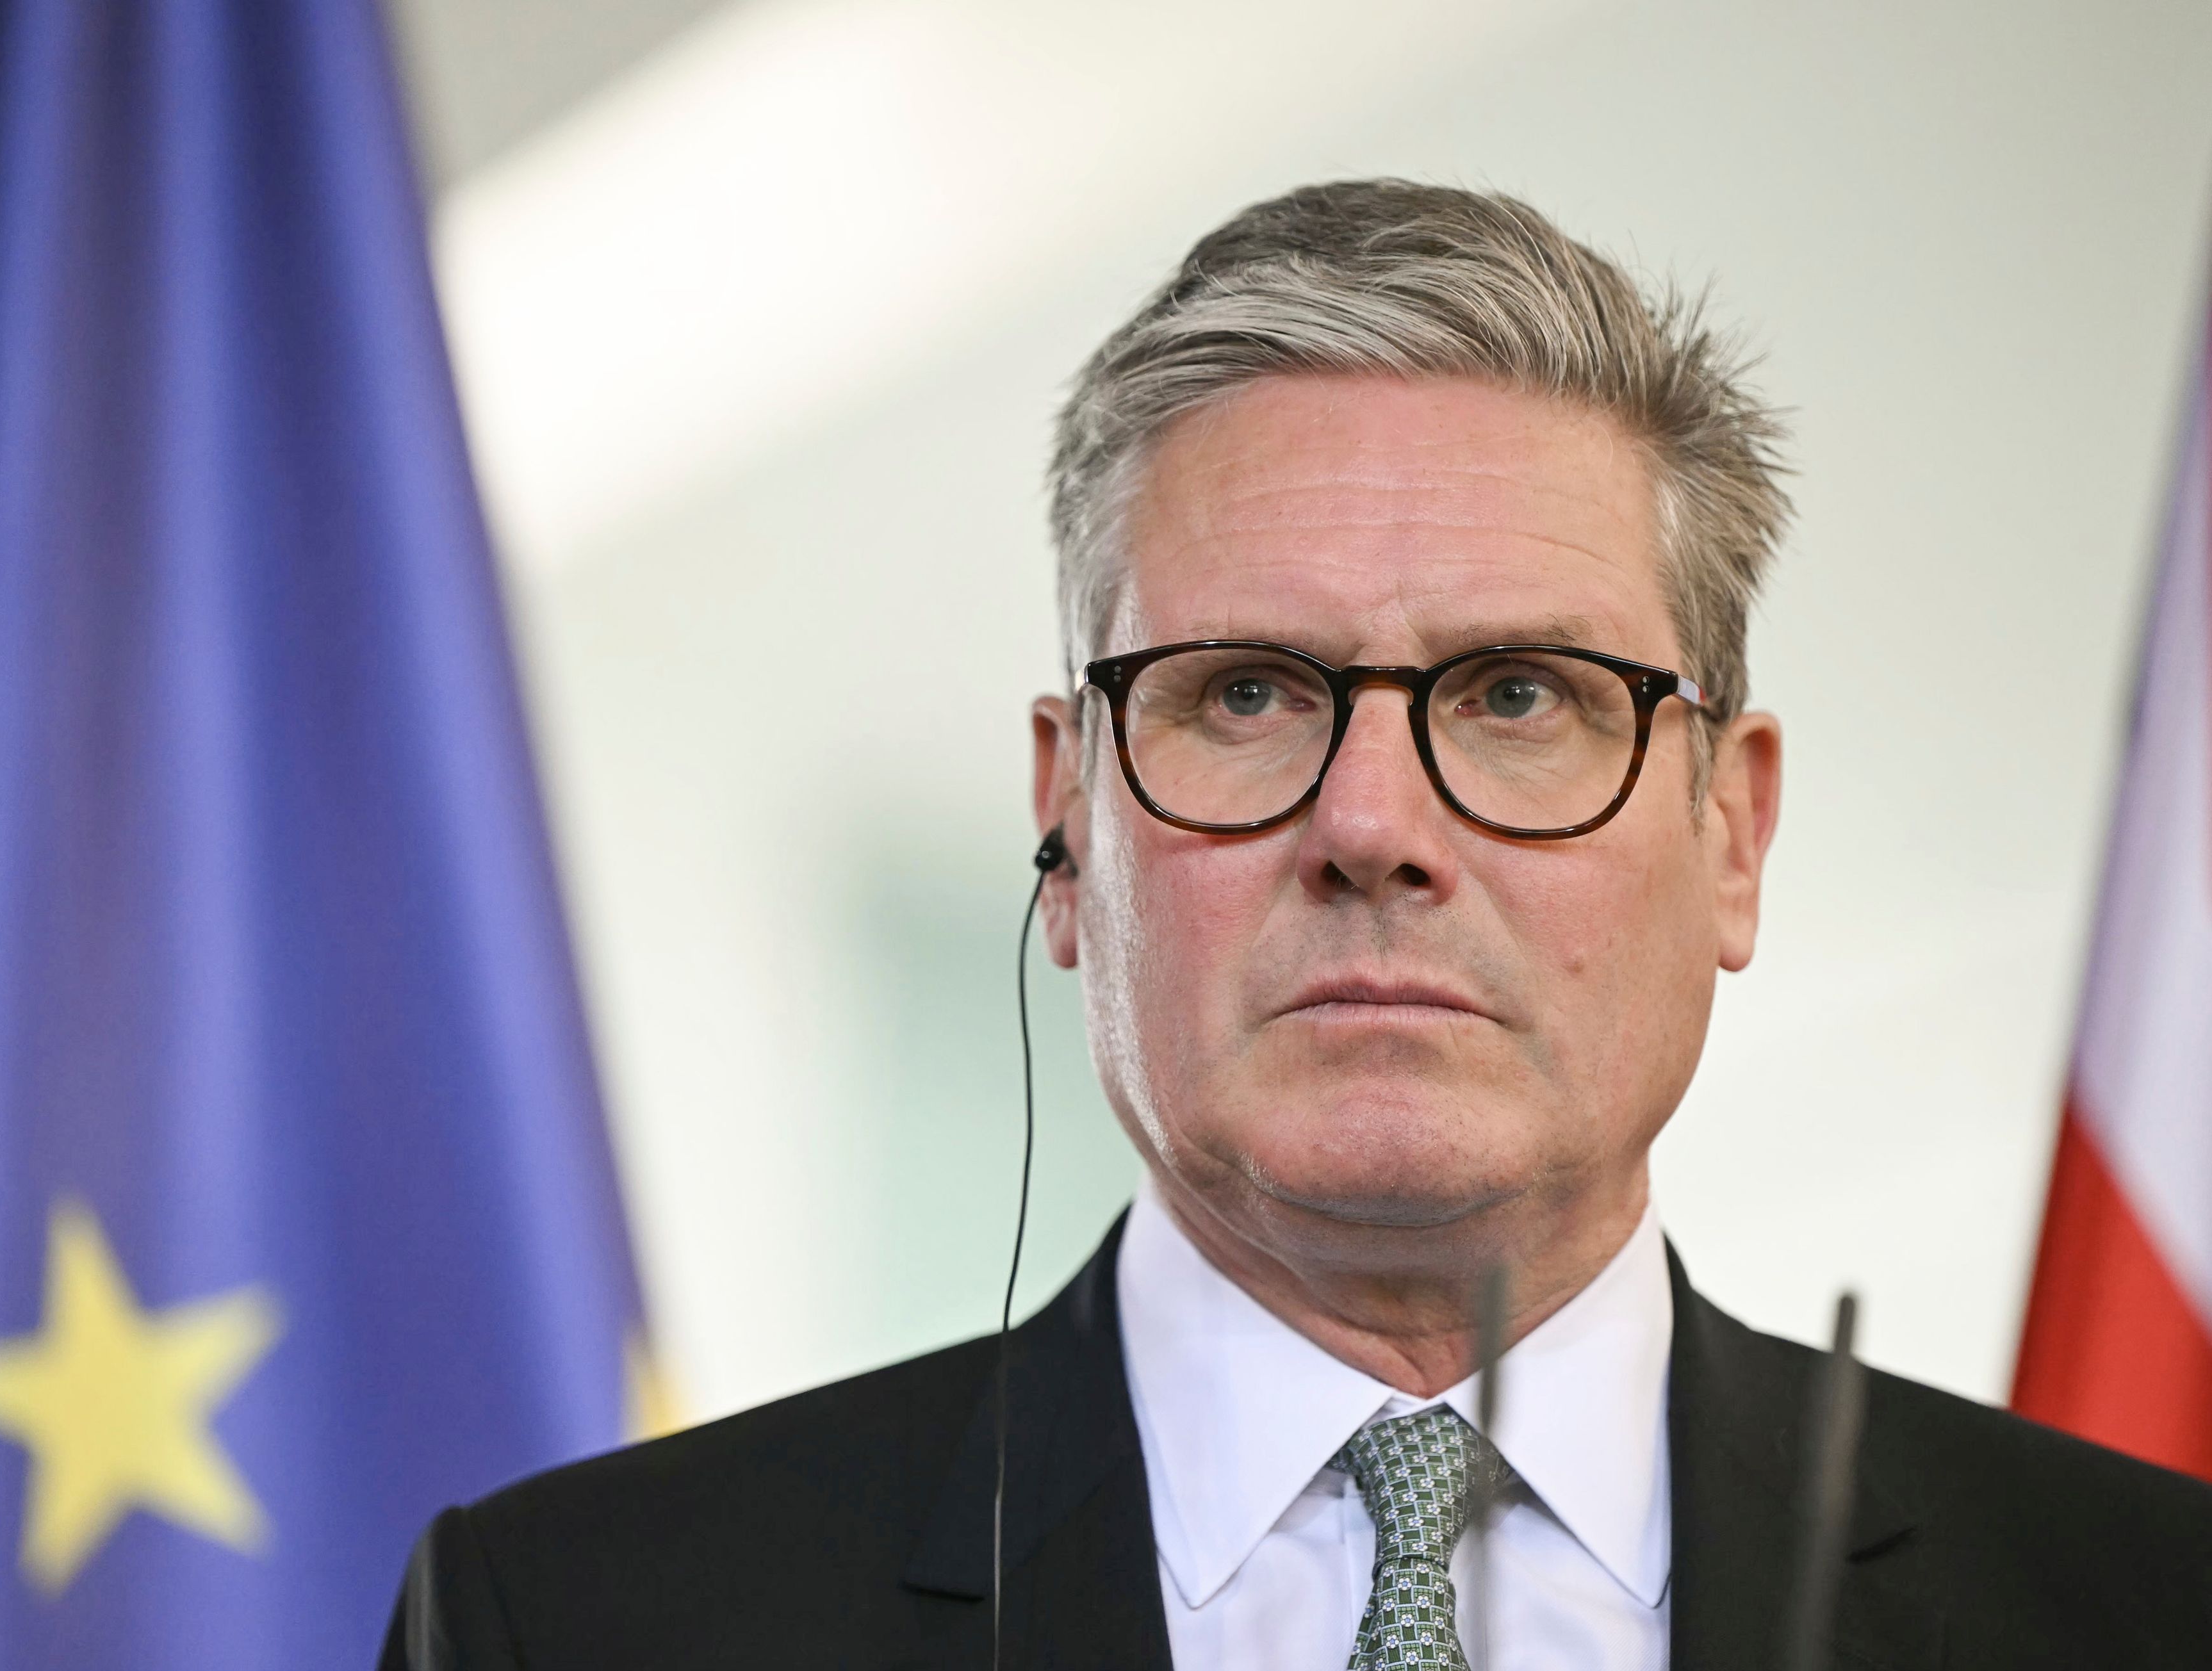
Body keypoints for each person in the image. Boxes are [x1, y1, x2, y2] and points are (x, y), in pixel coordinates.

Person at [379, 181, 2212, 1670]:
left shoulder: (2145, 1610)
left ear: (1730, 830)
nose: (1372, 825)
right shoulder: (588, 1623)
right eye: (1247, 694)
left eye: (1518, 695)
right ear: (1069, 826)